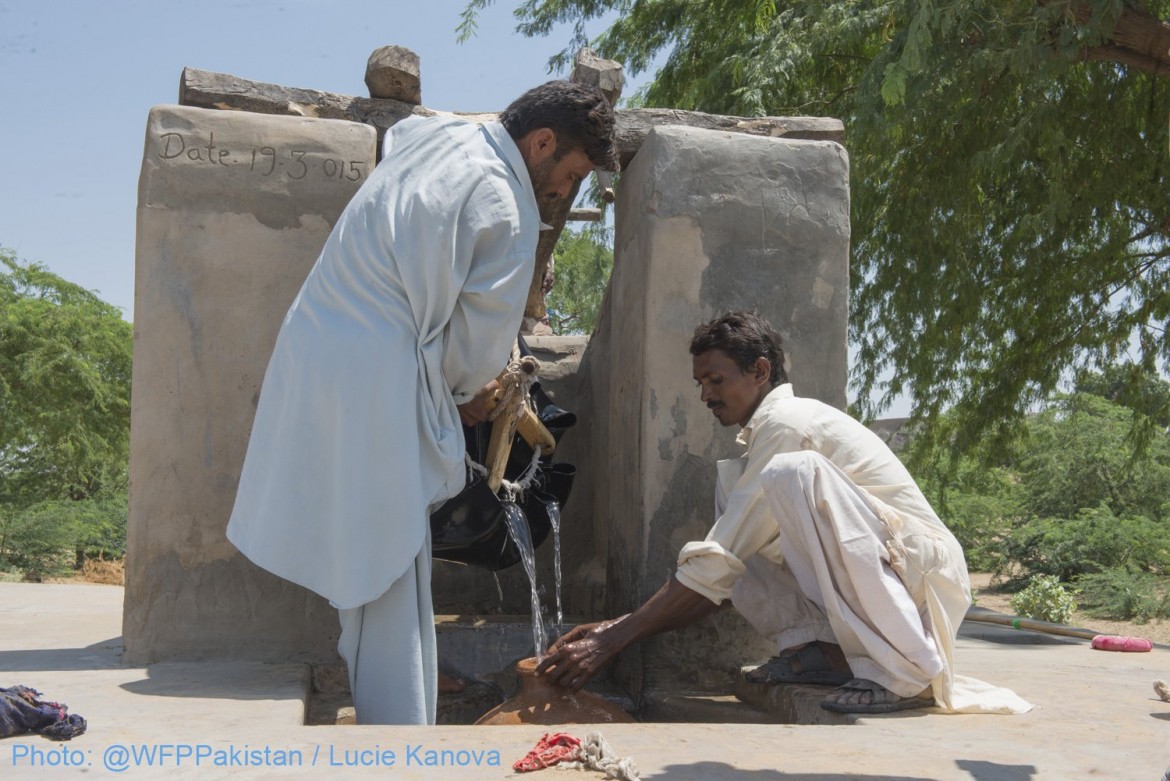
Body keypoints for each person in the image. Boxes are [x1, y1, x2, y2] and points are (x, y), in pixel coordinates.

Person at [226, 81, 618, 725]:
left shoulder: (440, 135)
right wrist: (470, 395)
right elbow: (473, 356)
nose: (559, 191)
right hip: (377, 375)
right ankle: (399, 739)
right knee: (388, 561)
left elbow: (404, 149)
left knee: (365, 548)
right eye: (569, 172)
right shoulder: (506, 203)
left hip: (318, 342)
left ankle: (388, 708)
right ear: (541, 142)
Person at [537, 311, 1030, 714]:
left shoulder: (790, 425)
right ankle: (823, 651)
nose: (706, 394)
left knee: (792, 474)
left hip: (924, 575)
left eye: (716, 379)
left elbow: (716, 566)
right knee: (735, 497)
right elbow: (723, 569)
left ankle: (905, 672)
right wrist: (617, 626)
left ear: (760, 372)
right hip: (893, 570)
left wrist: (613, 639)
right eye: (700, 382)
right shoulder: (760, 444)